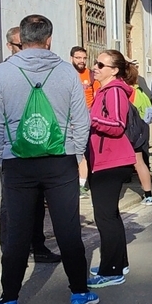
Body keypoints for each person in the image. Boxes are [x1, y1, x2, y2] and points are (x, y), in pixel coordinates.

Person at [0, 14, 96, 304]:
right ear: (49, 39)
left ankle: (9, 300)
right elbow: (80, 119)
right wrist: (75, 153)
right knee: (67, 227)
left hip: (18, 162)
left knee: (18, 231)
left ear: (20, 38)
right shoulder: (65, 72)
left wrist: (3, 152)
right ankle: (79, 292)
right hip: (59, 160)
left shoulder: (2, 73)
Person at [0, 27, 61, 264]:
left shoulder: (44, 69)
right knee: (12, 206)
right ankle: (13, 250)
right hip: (15, 149)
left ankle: (39, 246)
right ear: (11, 47)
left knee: (37, 204)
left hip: (43, 145)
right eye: (19, 46)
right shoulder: (3, 72)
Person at [85, 50, 136, 288]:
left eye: (100, 64)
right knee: (111, 215)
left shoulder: (114, 91)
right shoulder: (105, 90)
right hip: (105, 160)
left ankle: (112, 270)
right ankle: (118, 262)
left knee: (105, 216)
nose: (94, 67)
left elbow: (117, 125)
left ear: (114, 70)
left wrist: (88, 118)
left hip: (111, 160)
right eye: (96, 63)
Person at [122, 61, 152, 205]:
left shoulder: (126, 92)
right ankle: (148, 195)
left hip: (129, 130)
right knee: (140, 162)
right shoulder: (140, 91)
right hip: (143, 129)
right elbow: (149, 107)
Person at [69, 46, 97, 197]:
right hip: (69, 117)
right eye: (78, 58)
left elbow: (97, 95)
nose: (81, 61)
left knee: (84, 152)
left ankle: (81, 185)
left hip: (87, 117)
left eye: (84, 58)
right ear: (71, 58)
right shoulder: (67, 74)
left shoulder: (91, 75)